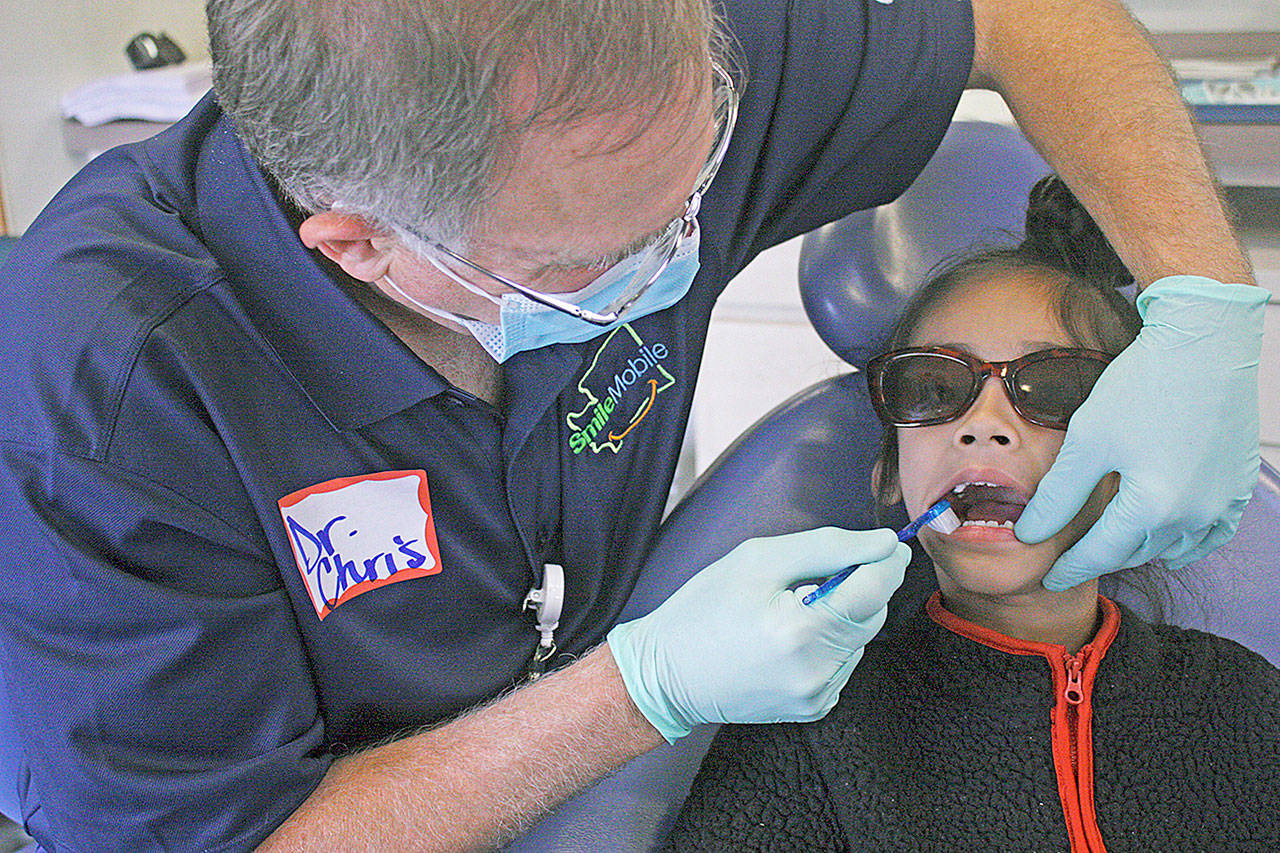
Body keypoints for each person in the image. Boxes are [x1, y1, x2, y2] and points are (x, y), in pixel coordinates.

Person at [0, 0, 1266, 849]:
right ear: (361, 247)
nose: (686, 253)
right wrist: (641, 690)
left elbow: (1024, 14)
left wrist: (1203, 301)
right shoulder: (108, 389)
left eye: (697, 191)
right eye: (605, 256)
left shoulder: (630, 74)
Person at [662, 176, 1280, 851]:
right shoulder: (817, 731)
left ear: (1147, 465)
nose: (983, 425)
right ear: (892, 474)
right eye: (934, 387)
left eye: (1054, 387)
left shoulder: (1248, 707)